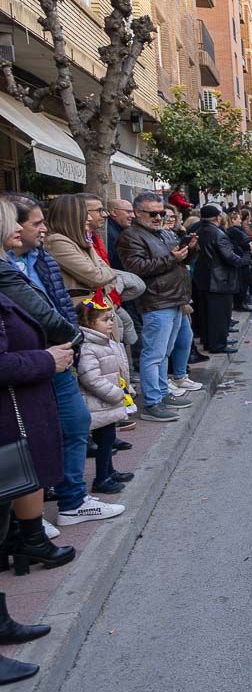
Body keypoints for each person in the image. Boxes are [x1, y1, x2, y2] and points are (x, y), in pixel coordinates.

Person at [0, 199, 79, 576]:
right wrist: (51, 356)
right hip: (19, 389)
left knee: (25, 466)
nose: (22, 228)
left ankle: (28, 537)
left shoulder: (19, 264)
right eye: (10, 222)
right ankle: (30, 536)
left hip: (29, 384)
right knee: (21, 465)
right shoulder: (5, 274)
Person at [118, 193, 195, 423]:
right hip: (156, 300)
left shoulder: (164, 232)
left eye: (161, 213)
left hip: (174, 299)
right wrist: (172, 258)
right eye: (153, 214)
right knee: (153, 354)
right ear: (138, 213)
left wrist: (190, 249)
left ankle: (162, 393)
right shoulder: (130, 237)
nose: (159, 217)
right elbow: (137, 267)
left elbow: (180, 261)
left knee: (164, 352)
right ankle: (152, 402)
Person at [74, 291, 136, 495]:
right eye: (105, 320)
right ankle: (101, 478)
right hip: (98, 403)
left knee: (108, 440)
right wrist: (116, 393)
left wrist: (126, 388)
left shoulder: (106, 341)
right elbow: (90, 377)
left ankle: (109, 471)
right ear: (88, 322)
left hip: (110, 401)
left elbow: (119, 369)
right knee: (104, 442)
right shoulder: (88, 347)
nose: (111, 323)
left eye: (111, 318)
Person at [192, 205, 249, 356]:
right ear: (218, 218)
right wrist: (244, 259)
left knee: (206, 314)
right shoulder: (217, 234)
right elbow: (229, 257)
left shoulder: (199, 230)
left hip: (203, 278)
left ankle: (210, 341)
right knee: (219, 314)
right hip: (219, 279)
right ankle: (218, 343)